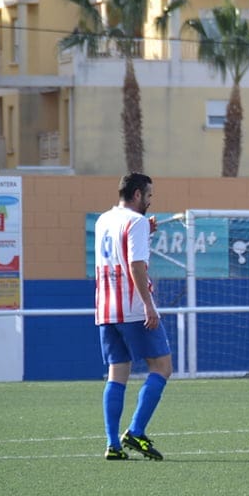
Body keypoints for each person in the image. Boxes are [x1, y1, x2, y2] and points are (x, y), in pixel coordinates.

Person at [94, 172, 171, 461]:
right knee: (162, 367)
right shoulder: (136, 221)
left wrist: (144, 232)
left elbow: (117, 251)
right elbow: (136, 265)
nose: (150, 201)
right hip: (133, 308)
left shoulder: (104, 220)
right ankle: (136, 431)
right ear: (138, 194)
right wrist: (148, 305)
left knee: (118, 372)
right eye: (149, 195)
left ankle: (112, 444)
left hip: (106, 308)